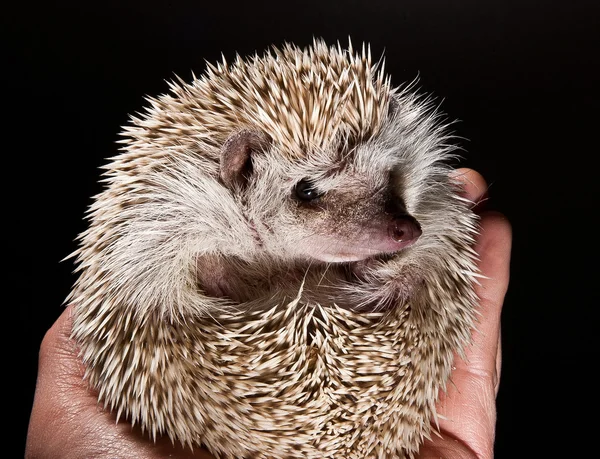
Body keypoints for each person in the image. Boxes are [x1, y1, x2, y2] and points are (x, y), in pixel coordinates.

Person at [25, 168, 511, 459]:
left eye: (382, 181)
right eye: (313, 191)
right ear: (241, 167)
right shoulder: (179, 217)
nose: (397, 225)